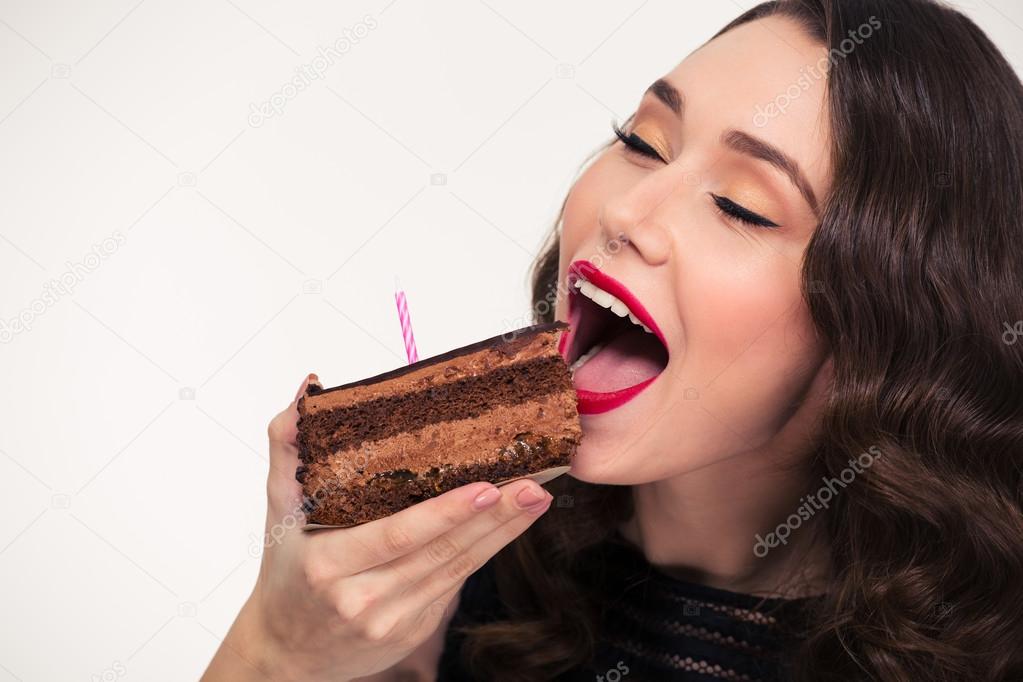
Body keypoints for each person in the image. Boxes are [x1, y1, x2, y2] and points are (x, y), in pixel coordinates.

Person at [202, 0, 1023, 679]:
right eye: (642, 143)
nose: (627, 211)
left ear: (890, 330)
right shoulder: (445, 577)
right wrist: (277, 652)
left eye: (740, 206)